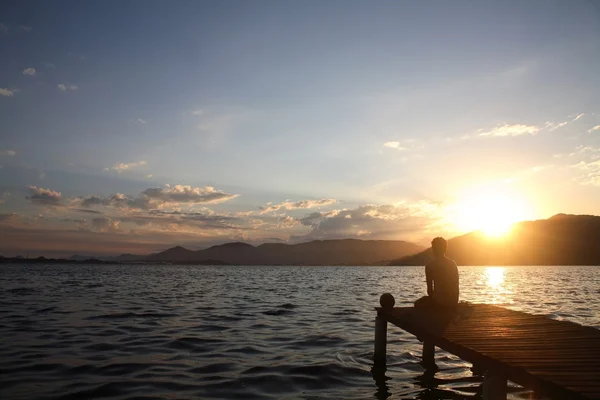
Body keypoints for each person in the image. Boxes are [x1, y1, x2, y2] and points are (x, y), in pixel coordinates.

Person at [415, 237, 459, 309]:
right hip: (453, 302)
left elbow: (430, 291)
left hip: (439, 303)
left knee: (417, 303)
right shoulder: (452, 264)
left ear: (434, 249)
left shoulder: (430, 266)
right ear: (445, 249)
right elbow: (456, 286)